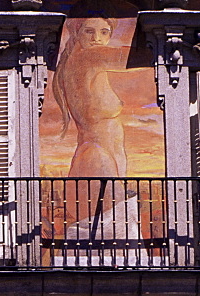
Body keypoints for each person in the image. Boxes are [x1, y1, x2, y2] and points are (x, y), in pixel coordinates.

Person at [52, 17, 132, 178]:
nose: (97, 39)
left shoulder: (74, 61)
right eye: (89, 31)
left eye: (104, 32)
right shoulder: (90, 56)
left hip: (95, 155)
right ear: (76, 33)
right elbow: (141, 56)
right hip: (98, 157)